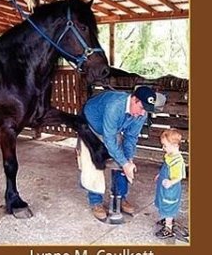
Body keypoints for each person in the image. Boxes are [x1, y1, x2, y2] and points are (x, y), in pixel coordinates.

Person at [77, 86, 157, 222]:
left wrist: (128, 161)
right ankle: (96, 201)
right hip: (89, 124)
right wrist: (125, 163)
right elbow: (109, 139)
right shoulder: (115, 106)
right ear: (134, 99)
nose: (142, 113)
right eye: (141, 108)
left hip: (111, 128)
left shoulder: (141, 114)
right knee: (94, 162)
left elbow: (131, 137)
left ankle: (120, 198)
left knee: (123, 160)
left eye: (146, 110)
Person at [154, 129, 186, 238]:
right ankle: (168, 220)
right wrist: (160, 175)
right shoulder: (169, 155)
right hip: (164, 187)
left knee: (169, 207)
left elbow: (180, 176)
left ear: (175, 145)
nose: (163, 148)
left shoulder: (177, 160)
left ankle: (168, 228)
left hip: (170, 189)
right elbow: (165, 168)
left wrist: (171, 182)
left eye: (165, 145)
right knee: (163, 203)